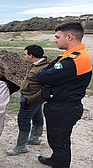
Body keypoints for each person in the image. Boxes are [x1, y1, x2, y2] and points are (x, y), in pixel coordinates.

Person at [36, 22, 92, 167]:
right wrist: (50, 69)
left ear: (69, 37)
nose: (55, 40)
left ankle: (59, 163)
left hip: (62, 108)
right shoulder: (73, 55)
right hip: (63, 106)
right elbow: (49, 71)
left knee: (59, 143)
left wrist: (48, 71)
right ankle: (55, 160)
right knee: (57, 140)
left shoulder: (73, 60)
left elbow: (42, 77)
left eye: (57, 37)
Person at [6, 45, 49, 156]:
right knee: (37, 115)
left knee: (23, 120)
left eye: (25, 54)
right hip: (32, 97)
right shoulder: (37, 65)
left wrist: (29, 99)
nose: (24, 56)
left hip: (31, 98)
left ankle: (21, 147)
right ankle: (35, 138)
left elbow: (45, 89)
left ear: (31, 55)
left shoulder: (42, 69)